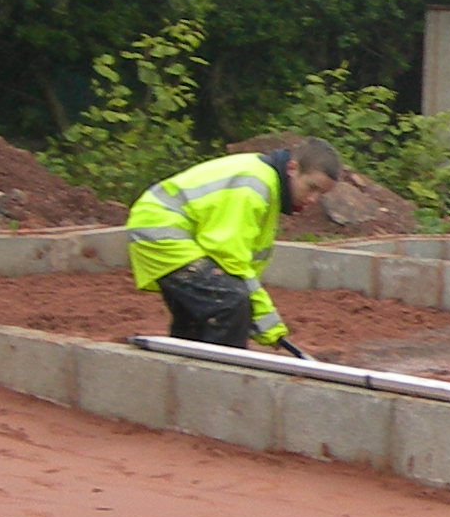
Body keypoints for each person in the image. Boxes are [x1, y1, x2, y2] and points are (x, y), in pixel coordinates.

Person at [127, 138, 341, 357]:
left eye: (320, 194)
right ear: (292, 168)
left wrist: (257, 315)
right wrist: (267, 320)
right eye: (311, 187)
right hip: (163, 232)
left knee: (200, 317)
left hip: (171, 231)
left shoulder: (265, 185)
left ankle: (186, 372)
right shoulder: (255, 186)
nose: (314, 199)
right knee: (230, 303)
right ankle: (223, 380)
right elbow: (229, 256)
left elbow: (241, 262)